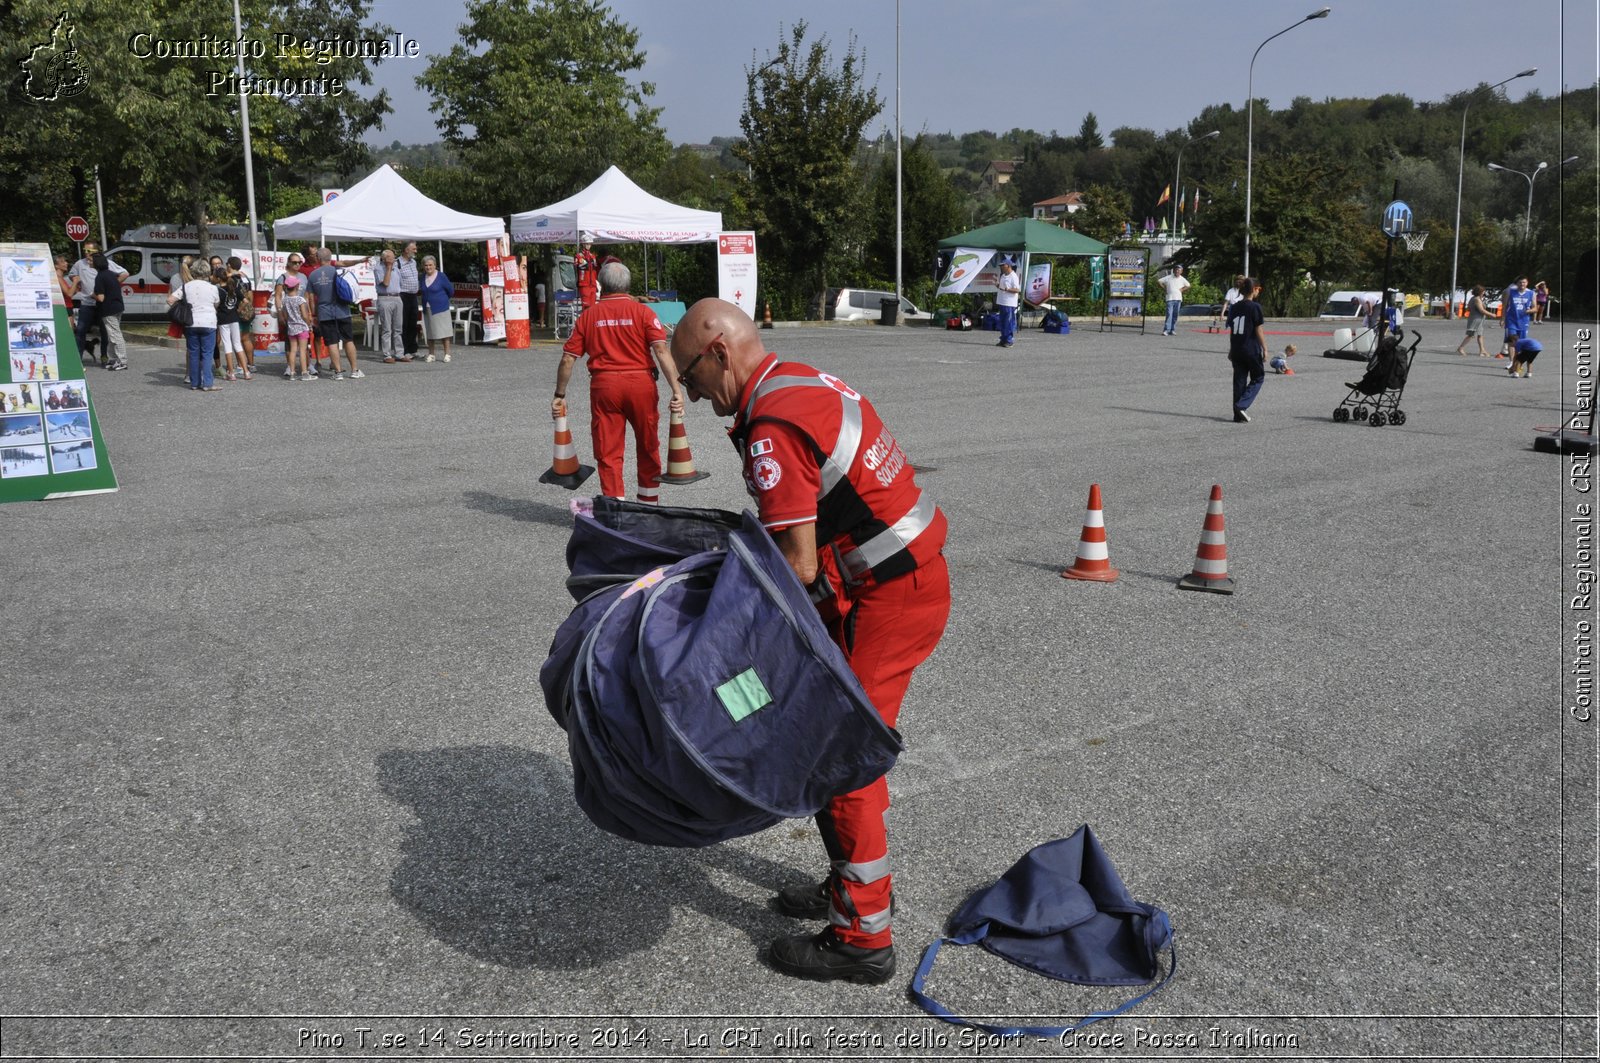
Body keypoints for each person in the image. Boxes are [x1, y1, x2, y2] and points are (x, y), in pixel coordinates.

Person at [668, 297, 951, 985]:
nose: (697, 398)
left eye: (692, 377)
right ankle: (847, 884)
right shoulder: (799, 378)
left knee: (840, 752)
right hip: (897, 579)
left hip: (890, 596)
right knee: (824, 734)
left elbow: (793, 562)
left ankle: (863, 935)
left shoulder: (771, 423)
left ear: (719, 351)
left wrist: (723, 615)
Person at [552, 261, 682, 504]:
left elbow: (568, 358)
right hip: (641, 384)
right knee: (648, 444)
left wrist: (560, 393)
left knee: (608, 449)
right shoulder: (644, 313)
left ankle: (616, 506)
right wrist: (676, 390)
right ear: (628, 285)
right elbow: (661, 352)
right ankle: (648, 503)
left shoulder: (589, 316)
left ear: (601, 285)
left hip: (605, 387)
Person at [306, 247, 364, 380]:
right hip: (342, 310)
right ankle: (355, 370)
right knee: (348, 340)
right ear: (330, 258)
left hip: (324, 312)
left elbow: (311, 298)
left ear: (318, 259)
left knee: (331, 342)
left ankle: (338, 373)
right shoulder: (338, 271)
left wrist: (313, 315)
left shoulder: (313, 275)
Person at [68, 240, 127, 365]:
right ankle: (78, 357)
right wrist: (76, 281)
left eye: (89, 251)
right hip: (86, 303)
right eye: (85, 251)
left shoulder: (106, 263)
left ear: (96, 251)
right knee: (80, 330)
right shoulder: (80, 264)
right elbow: (72, 275)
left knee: (105, 331)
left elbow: (125, 273)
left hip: (101, 304)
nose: (86, 253)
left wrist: (112, 285)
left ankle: (104, 356)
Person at [168, 259, 222, 391]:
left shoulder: (186, 286)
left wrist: (181, 308)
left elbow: (170, 300)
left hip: (190, 323)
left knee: (193, 353)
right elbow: (216, 304)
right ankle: (207, 384)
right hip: (208, 322)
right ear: (208, 271)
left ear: (193, 271)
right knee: (207, 353)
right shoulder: (213, 288)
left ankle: (194, 383)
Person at [1224, 277, 1265, 422]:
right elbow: (1258, 329)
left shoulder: (1234, 307)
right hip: (1251, 348)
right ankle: (1241, 406)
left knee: (1239, 381)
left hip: (1236, 348)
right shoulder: (1255, 307)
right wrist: (1265, 349)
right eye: (1259, 289)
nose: (1259, 292)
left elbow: (1232, 330)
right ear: (1254, 289)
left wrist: (1231, 349)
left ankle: (1237, 415)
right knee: (1258, 377)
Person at [273, 251, 311, 377]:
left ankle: (306, 366)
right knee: (290, 344)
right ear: (288, 263)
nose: (297, 264)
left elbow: (306, 295)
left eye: (299, 262)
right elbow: (278, 296)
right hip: (289, 313)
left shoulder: (303, 277)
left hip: (301, 311)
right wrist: (280, 313)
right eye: (294, 262)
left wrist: (309, 311)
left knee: (302, 344)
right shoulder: (283, 277)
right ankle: (290, 367)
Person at [90, 252, 128, 371]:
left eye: (91, 261)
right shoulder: (112, 274)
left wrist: (93, 295)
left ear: (96, 263)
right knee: (111, 335)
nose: (89, 262)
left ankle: (122, 361)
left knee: (115, 335)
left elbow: (101, 298)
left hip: (108, 309)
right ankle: (114, 359)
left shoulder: (100, 277)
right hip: (117, 306)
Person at [216, 257, 252, 381]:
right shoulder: (234, 287)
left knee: (227, 345)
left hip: (223, 319)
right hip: (234, 318)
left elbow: (215, 304)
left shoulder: (218, 290)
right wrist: (238, 310)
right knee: (238, 344)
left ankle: (231, 373)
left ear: (219, 278)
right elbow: (246, 301)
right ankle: (246, 371)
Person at [373, 248, 407, 363]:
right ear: (384, 258)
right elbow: (386, 283)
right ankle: (387, 355)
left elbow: (400, 284)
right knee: (387, 329)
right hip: (385, 297)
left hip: (397, 297)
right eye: (390, 257)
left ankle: (399, 353)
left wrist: (392, 267)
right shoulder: (378, 269)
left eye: (393, 257)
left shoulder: (396, 269)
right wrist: (388, 268)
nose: (393, 259)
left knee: (398, 328)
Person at [418, 255, 455, 362]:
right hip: (427, 307)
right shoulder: (422, 277)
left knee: (444, 332)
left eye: (430, 265)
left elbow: (451, 291)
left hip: (441, 307)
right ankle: (431, 354)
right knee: (430, 332)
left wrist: (442, 299)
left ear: (435, 265)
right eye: (426, 265)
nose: (428, 267)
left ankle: (447, 354)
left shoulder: (441, 276)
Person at [280, 273, 313, 381]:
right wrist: (308, 323)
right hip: (302, 327)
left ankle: (292, 372)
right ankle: (304, 372)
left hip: (291, 328)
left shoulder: (285, 300)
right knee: (303, 350)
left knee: (293, 350)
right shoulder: (300, 300)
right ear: (297, 286)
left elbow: (284, 315)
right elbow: (304, 315)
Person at [1501, 277, 1534, 358]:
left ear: (1527, 283)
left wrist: (1529, 311)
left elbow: (1535, 307)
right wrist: (1502, 319)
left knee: (1521, 343)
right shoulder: (1510, 291)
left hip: (1523, 321)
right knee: (1511, 341)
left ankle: (1518, 362)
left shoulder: (1531, 293)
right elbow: (1504, 305)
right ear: (1517, 283)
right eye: (1520, 282)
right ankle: (1511, 362)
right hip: (1511, 320)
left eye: (1524, 282)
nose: (1522, 284)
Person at [1454, 285, 1492, 357]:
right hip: (1475, 319)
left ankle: (1482, 350)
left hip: (1479, 319)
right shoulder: (1477, 299)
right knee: (1471, 335)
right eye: (1483, 291)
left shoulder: (1474, 298)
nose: (1484, 293)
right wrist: (1492, 314)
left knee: (1480, 335)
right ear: (1480, 292)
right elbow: (1481, 310)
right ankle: (1461, 348)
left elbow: (1468, 308)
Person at [398, 241, 421, 357]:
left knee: (413, 323)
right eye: (414, 249)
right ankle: (405, 350)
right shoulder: (398, 263)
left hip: (413, 296)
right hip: (403, 295)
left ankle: (413, 349)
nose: (416, 251)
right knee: (404, 323)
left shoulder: (413, 262)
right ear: (406, 250)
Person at [993, 257, 1021, 348]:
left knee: (1008, 322)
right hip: (1002, 301)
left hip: (1009, 303)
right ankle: (1003, 339)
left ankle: (1009, 340)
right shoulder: (1003, 275)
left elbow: (1017, 289)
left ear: (1008, 266)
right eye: (1001, 265)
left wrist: (1007, 289)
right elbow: (1001, 288)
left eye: (1003, 265)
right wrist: (997, 284)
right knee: (1002, 322)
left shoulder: (1013, 276)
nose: (1001, 266)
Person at [1159, 264, 1189, 336]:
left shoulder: (1182, 279)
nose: (1177, 271)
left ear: (1181, 271)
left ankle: (1172, 330)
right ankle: (1166, 330)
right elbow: (1159, 281)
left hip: (1178, 299)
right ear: (1174, 270)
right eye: (1176, 269)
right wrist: (1164, 288)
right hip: (1170, 299)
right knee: (1169, 314)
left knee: (1175, 315)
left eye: (1179, 270)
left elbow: (1188, 285)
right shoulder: (1168, 277)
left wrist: (1182, 289)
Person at [574, 236, 600, 310]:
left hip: (593, 285)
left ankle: (591, 321)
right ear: (583, 244)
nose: (589, 245)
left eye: (590, 244)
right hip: (584, 284)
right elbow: (578, 266)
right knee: (586, 307)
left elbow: (596, 270)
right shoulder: (579, 256)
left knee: (592, 308)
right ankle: (585, 321)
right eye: (587, 244)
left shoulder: (593, 256)